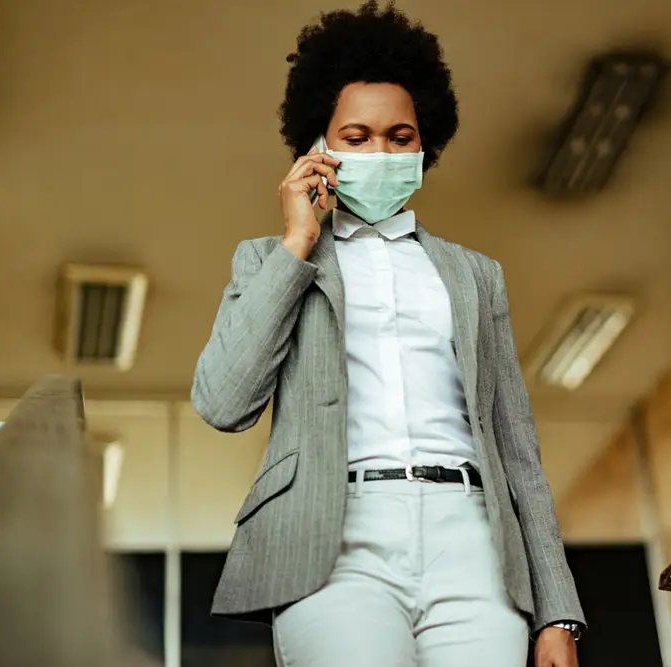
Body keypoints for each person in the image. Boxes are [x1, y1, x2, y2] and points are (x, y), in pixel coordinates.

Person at [191, 3, 585, 666]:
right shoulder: (269, 260)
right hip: (333, 538)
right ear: (318, 147)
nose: (382, 151)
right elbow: (223, 400)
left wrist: (558, 613)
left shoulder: (476, 274)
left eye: (400, 137)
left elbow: (518, 447)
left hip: (476, 543)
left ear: (424, 145)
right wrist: (297, 240)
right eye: (357, 135)